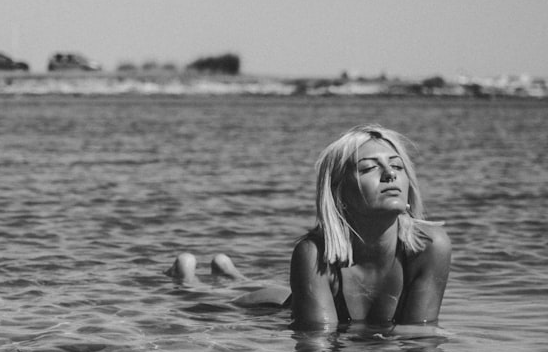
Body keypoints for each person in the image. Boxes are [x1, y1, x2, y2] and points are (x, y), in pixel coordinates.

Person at [167, 124, 451, 331]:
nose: (390, 174)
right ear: (339, 194)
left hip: (301, 296)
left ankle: (230, 272)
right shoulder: (313, 254)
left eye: (397, 167)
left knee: (277, 292)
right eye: (367, 168)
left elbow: (420, 339)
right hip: (283, 308)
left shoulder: (430, 247)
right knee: (223, 305)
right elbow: (316, 346)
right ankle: (188, 280)